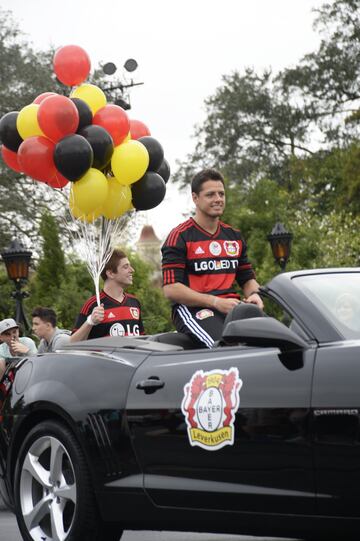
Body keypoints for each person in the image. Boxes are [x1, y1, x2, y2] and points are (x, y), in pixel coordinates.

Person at [161, 168, 263, 348]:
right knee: (225, 347)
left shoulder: (234, 236)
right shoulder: (180, 236)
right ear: (195, 198)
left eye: (221, 194)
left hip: (232, 307)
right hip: (194, 310)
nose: (218, 199)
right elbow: (171, 289)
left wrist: (255, 296)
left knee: (275, 342)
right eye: (210, 194)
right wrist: (215, 302)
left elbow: (247, 279)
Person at [71, 248, 144, 342]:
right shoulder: (92, 304)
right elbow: (72, 343)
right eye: (126, 267)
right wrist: (90, 322)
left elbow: (142, 339)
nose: (132, 270)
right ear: (110, 273)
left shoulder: (134, 302)